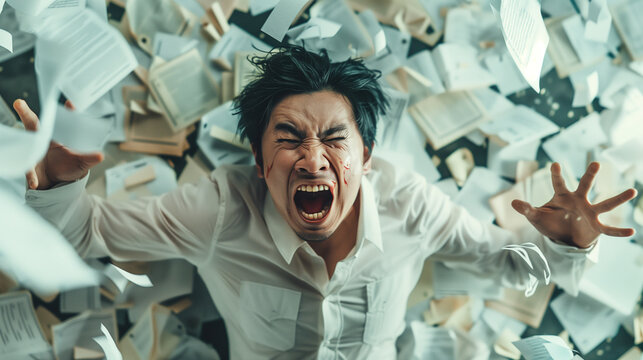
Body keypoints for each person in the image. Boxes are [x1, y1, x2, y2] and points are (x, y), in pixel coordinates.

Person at [19, 45, 636, 359]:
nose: (313, 159)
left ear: (366, 160)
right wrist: (57, 186)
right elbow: (83, 235)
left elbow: (509, 265)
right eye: (288, 140)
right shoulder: (216, 210)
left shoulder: (411, 205)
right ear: (261, 166)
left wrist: (566, 244)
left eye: (335, 139)